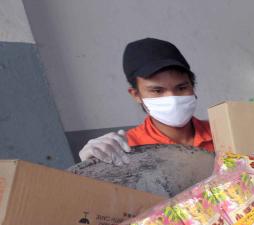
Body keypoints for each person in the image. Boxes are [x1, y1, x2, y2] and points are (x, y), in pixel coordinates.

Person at [79, 38, 213, 165]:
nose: (172, 98)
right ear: (136, 95)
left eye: (181, 88)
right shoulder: (126, 149)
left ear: (193, 87)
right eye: (157, 91)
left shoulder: (222, 131)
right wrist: (91, 166)